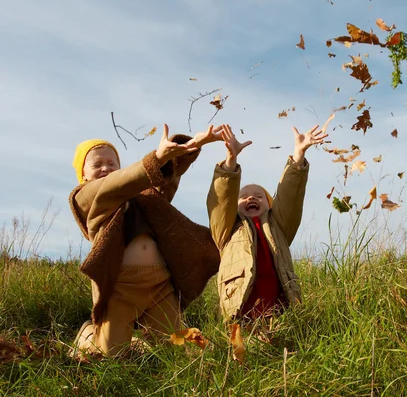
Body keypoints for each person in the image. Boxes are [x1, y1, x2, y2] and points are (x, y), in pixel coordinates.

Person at [69, 124, 221, 357]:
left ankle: (142, 342)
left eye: (112, 164)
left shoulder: (141, 198)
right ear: (83, 175)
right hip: (120, 288)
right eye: (97, 165)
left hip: (159, 282)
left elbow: (163, 182)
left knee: (175, 351)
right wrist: (156, 158)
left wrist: (186, 148)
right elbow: (116, 184)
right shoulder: (86, 198)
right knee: (107, 357)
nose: (105, 169)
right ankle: (88, 335)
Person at [207, 124, 327, 322]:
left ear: (270, 205)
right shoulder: (227, 230)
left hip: (280, 315)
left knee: (280, 350)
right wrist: (230, 163)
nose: (250, 198)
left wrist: (298, 155)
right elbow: (221, 201)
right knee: (243, 350)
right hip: (240, 317)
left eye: (258, 196)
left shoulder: (278, 226)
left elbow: (290, 197)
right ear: (233, 206)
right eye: (243, 196)